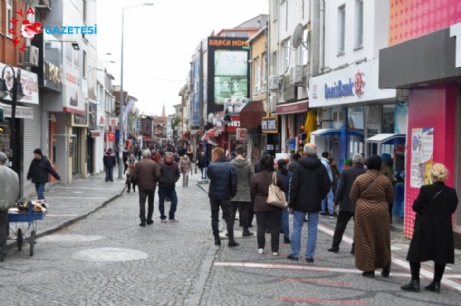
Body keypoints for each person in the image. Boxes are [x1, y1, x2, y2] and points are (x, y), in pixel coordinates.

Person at [401, 163, 458, 293]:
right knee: (440, 254)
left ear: (432, 175)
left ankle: (415, 282)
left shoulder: (426, 189)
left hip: (425, 226)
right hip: (443, 227)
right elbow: (452, 209)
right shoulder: (451, 192)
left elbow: (416, 207)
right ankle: (436, 283)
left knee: (415, 253)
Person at [349, 155, 395, 278]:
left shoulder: (360, 179)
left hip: (363, 212)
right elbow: (391, 198)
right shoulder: (385, 180)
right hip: (381, 211)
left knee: (365, 238)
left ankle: (369, 269)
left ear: (367, 164)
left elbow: (353, 196)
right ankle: (385, 265)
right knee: (382, 238)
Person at [288, 143, 331, 263]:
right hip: (314, 201)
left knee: (297, 228)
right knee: (312, 229)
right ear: (316, 153)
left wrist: (291, 203)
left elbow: (294, 186)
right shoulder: (321, 167)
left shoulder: (299, 166)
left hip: (300, 202)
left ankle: (295, 254)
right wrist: (320, 195)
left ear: (305, 153)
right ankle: (309, 256)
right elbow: (327, 184)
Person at [328, 153, 366, 254]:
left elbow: (341, 188)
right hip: (361, 204)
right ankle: (355, 249)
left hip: (346, 203)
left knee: (340, 225)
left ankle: (335, 246)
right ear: (362, 162)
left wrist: (336, 202)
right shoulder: (366, 172)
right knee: (359, 227)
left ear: (353, 161)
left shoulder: (346, 172)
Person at [251, 154, 285, 255]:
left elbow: (252, 192)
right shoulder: (276, 175)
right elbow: (282, 188)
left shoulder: (256, 176)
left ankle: (261, 247)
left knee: (261, 227)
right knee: (275, 227)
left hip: (260, 204)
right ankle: (275, 249)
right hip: (274, 204)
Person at [207, 147, 239, 247]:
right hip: (226, 195)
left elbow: (210, 177)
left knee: (214, 217)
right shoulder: (230, 166)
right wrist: (232, 194)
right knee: (229, 217)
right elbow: (234, 182)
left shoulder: (211, 166)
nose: (212, 157)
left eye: (213, 155)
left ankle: (216, 238)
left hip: (214, 195)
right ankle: (231, 239)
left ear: (216, 156)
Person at [230, 145, 255, 237]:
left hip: (233, 190)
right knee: (245, 210)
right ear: (244, 153)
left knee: (232, 211)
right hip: (245, 189)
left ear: (236, 153)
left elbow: (229, 177)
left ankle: (230, 231)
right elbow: (252, 178)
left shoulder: (231, 164)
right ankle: (245, 230)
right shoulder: (248, 164)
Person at [0, 152, 20, 263]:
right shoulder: (13, 174)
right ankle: (2, 254)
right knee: (2, 229)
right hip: (4, 206)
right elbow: (16, 190)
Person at [133, 149, 161, 227]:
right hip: (151, 186)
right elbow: (158, 174)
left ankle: (142, 220)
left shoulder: (138, 163)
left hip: (141, 186)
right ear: (149, 155)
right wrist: (155, 181)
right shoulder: (154, 163)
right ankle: (149, 219)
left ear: (143, 155)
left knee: (142, 203)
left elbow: (134, 175)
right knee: (150, 203)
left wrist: (137, 181)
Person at [158, 152, 181, 222]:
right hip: (162, 187)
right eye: (167, 158)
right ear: (165, 158)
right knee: (161, 202)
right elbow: (157, 174)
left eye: (170, 158)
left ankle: (171, 216)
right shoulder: (161, 165)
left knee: (174, 201)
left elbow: (178, 174)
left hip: (171, 187)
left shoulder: (175, 165)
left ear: (172, 158)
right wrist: (162, 180)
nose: (168, 159)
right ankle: (162, 217)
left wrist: (175, 179)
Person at [276, 159, 293, 244]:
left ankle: (274, 237)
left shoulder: (274, 174)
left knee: (274, 218)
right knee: (285, 219)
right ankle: (286, 237)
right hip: (285, 198)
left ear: (277, 165)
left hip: (275, 198)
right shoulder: (290, 175)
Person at [380, 153, 395, 223]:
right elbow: (391, 180)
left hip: (378, 190)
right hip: (386, 190)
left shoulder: (377, 166)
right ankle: (388, 221)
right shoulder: (387, 168)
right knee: (389, 206)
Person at [320, 152, 335, 217]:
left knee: (324, 196)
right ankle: (331, 211)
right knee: (330, 196)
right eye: (329, 156)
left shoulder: (321, 162)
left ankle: (323, 210)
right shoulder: (325, 163)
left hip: (323, 182)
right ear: (326, 156)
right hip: (327, 182)